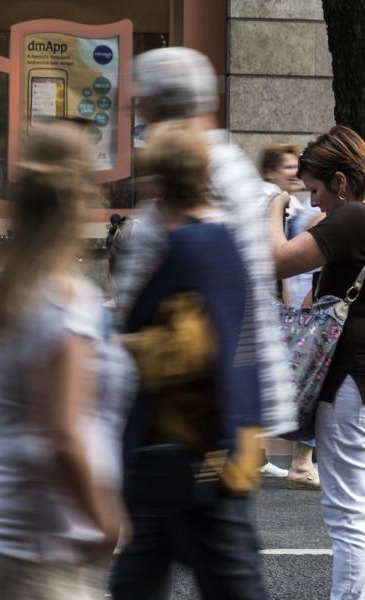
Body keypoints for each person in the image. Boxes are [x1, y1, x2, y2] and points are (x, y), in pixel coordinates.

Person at [0, 122, 128, 600]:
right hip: (44, 545)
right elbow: (63, 437)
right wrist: (104, 517)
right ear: (80, 198)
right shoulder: (66, 299)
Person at [110, 120, 269, 600]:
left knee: (229, 585)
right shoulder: (228, 242)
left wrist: (124, 346)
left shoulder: (184, 248)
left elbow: (188, 349)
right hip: (218, 446)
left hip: (188, 452)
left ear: (158, 184)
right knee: (142, 580)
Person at [267, 126, 365, 600]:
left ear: (339, 181)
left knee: (350, 517)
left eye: (314, 191)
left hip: (358, 384)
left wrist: (275, 204)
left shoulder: (352, 217)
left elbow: (273, 261)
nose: (313, 204)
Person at [117, 47, 295, 447]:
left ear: (162, 103)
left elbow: (233, 292)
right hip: (211, 397)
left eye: (142, 103)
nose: (138, 114)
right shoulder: (220, 164)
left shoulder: (205, 169)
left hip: (194, 401)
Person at [259, 143, 321, 488]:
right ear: (270, 171)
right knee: (306, 381)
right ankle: (301, 463)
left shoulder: (290, 203)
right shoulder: (278, 201)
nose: (294, 175)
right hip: (297, 307)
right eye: (288, 167)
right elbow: (282, 260)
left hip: (293, 304)